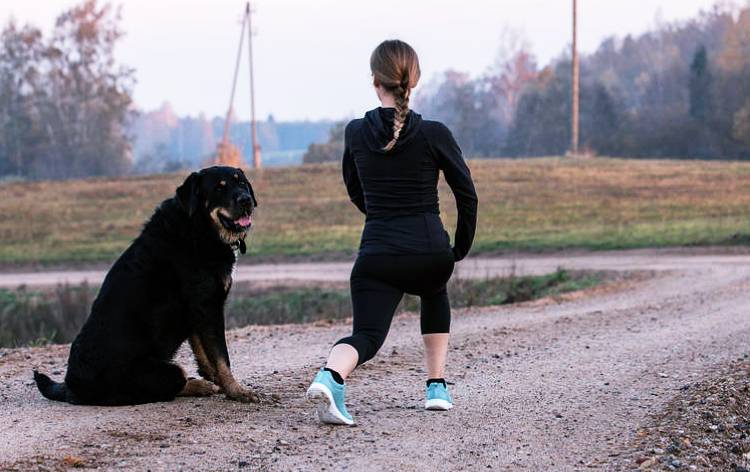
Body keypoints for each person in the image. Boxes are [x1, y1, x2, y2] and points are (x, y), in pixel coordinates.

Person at [306, 39, 478, 426]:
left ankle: (330, 377)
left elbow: (355, 189)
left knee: (366, 335)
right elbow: (467, 194)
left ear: (375, 81)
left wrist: (384, 217)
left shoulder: (355, 132)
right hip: (430, 253)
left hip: (378, 254)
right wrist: (457, 249)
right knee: (434, 287)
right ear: (413, 81)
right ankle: (437, 387)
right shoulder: (434, 133)